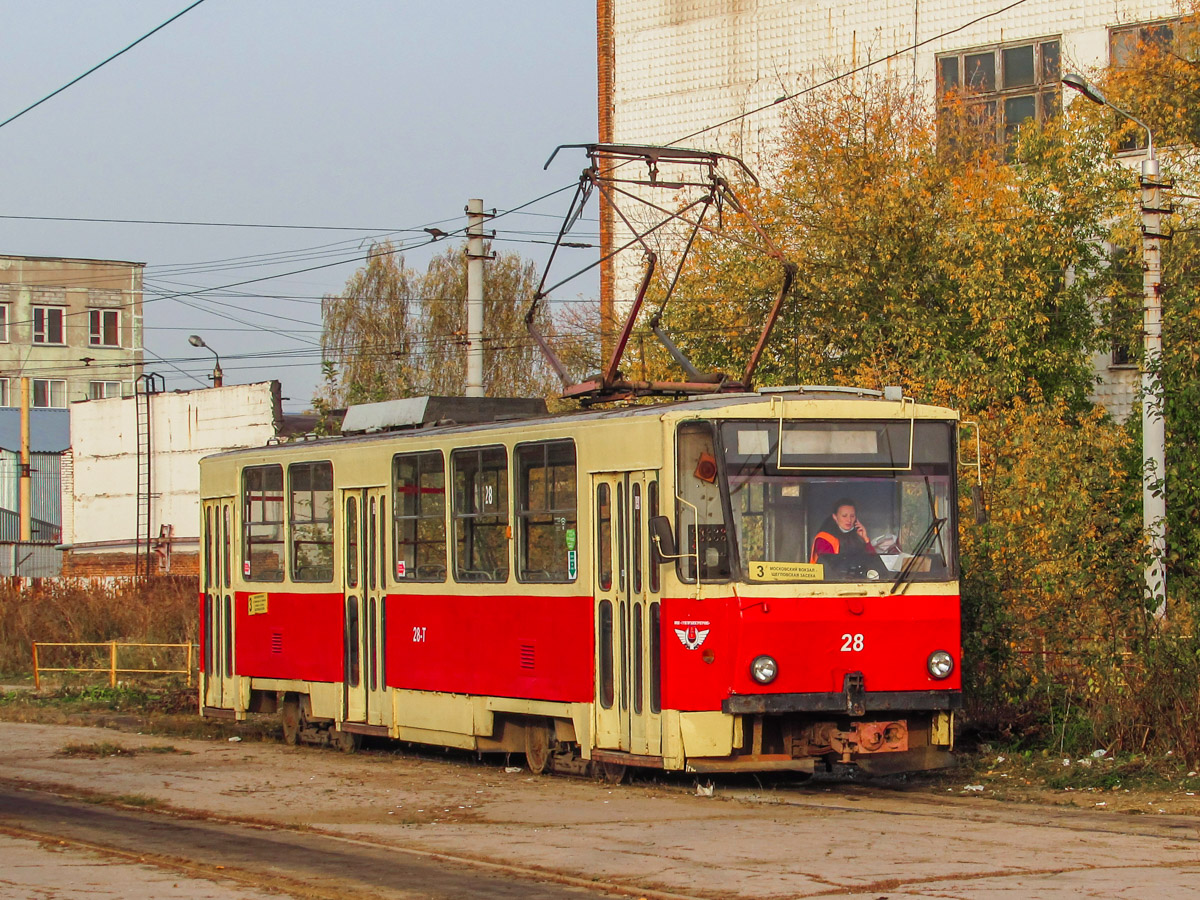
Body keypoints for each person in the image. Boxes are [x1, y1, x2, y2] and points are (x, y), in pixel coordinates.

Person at [809, 498, 875, 563]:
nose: (849, 520)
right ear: (835, 517)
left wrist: (865, 539)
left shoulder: (857, 536)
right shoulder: (825, 538)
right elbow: (828, 566)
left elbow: (874, 562)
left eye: (852, 516)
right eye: (844, 516)